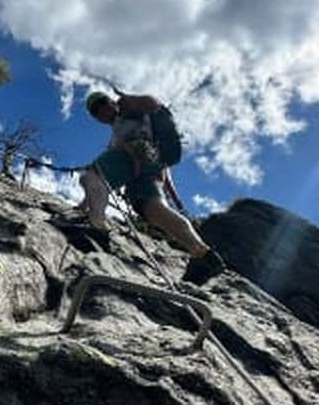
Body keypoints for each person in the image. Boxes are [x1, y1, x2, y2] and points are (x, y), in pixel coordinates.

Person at [79, 89, 225, 284]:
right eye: (95, 111)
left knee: (90, 175)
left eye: (103, 102)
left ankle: (96, 229)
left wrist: (131, 98)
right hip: (149, 168)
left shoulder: (129, 111)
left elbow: (154, 103)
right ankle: (203, 255)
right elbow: (162, 166)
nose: (101, 110)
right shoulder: (118, 134)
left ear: (112, 101)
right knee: (154, 211)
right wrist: (174, 196)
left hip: (134, 156)